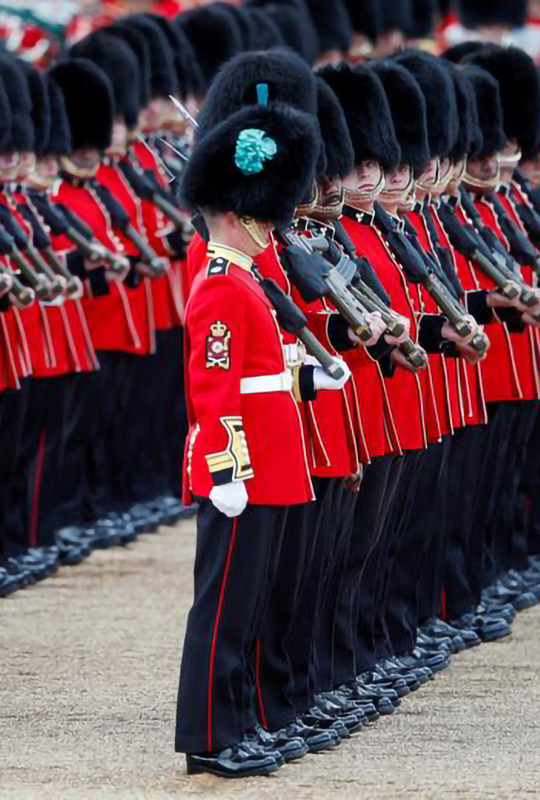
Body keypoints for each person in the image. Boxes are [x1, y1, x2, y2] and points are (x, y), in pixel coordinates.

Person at [173, 97, 334, 778]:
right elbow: (213, 393)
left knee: (253, 603)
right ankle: (210, 734)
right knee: (226, 608)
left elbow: (259, 374)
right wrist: (225, 470)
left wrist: (306, 381)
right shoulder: (221, 288)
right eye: (266, 215)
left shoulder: (246, 283)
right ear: (238, 216)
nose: (276, 228)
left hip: (270, 458)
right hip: (242, 467)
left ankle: (239, 722)